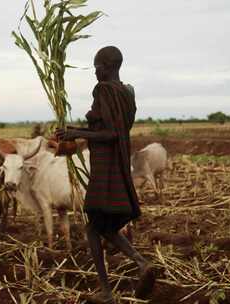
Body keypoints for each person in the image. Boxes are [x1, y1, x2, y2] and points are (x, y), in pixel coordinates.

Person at [56, 46, 155, 303]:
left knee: (93, 226)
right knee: (102, 226)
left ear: (107, 66)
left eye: (97, 66)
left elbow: (110, 134)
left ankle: (107, 291)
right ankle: (140, 264)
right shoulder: (126, 92)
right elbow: (114, 128)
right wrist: (73, 130)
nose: (95, 72)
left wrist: (77, 134)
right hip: (119, 163)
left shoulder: (104, 90)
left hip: (106, 167)